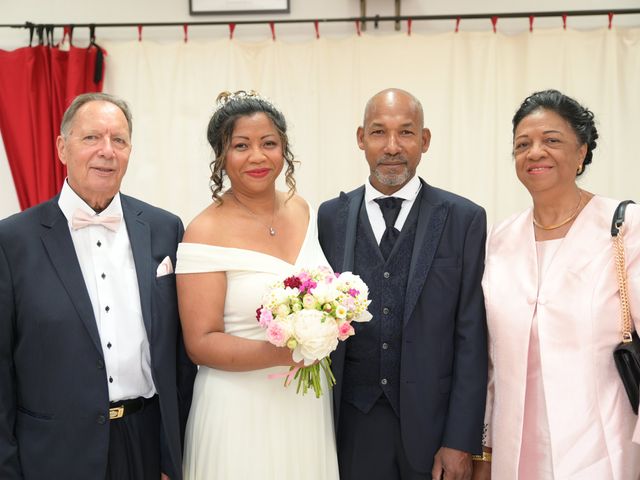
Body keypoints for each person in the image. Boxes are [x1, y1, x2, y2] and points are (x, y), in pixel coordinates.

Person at [0, 92, 196, 480]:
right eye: (91, 138)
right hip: (52, 453)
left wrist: (171, 455)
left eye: (118, 140)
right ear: (62, 147)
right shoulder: (12, 240)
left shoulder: (165, 229)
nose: (107, 151)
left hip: (144, 440)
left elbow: (178, 355)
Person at [317, 88, 488, 480]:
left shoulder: (464, 219)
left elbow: (472, 338)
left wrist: (461, 440)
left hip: (433, 429)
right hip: (352, 426)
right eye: (379, 133)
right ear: (361, 139)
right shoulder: (329, 218)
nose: (392, 147)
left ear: (424, 141)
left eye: (406, 133)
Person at [474, 89, 640, 480]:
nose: (535, 152)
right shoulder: (500, 237)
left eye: (552, 140)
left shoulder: (624, 227)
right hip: (516, 446)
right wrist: (484, 448)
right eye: (522, 144)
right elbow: (491, 359)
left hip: (602, 444)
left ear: (582, 152)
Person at [176, 91, 339, 480]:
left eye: (269, 143)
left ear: (284, 149)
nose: (257, 156)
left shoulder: (302, 209)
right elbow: (200, 342)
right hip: (238, 409)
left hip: (304, 405)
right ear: (221, 156)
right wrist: (286, 353)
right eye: (241, 145)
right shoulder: (204, 230)